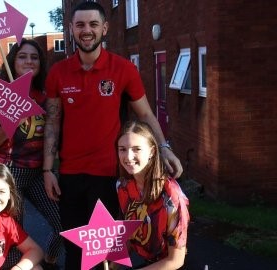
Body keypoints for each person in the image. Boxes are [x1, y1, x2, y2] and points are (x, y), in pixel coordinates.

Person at [42, 2, 183, 269]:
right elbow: (52, 122)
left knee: (108, 253)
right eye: (80, 25)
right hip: (70, 177)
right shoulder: (58, 73)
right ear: (71, 29)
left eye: (93, 24)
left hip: (110, 176)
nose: (87, 30)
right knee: (75, 252)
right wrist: (48, 170)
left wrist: (164, 147)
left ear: (104, 28)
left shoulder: (123, 69)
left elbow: (145, 115)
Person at [0, 39, 62, 270]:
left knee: (64, 223)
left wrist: (49, 169)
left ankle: (49, 261)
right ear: (13, 61)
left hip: (37, 171)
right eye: (22, 56)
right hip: (5, 172)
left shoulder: (45, 97)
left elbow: (52, 136)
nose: (28, 61)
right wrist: (12, 122)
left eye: (34, 57)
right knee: (11, 238)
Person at [116, 120, 189, 269]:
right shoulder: (123, 187)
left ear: (152, 151)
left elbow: (175, 260)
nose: (128, 157)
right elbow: (132, 233)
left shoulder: (171, 195)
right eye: (122, 149)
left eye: (136, 149)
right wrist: (114, 262)